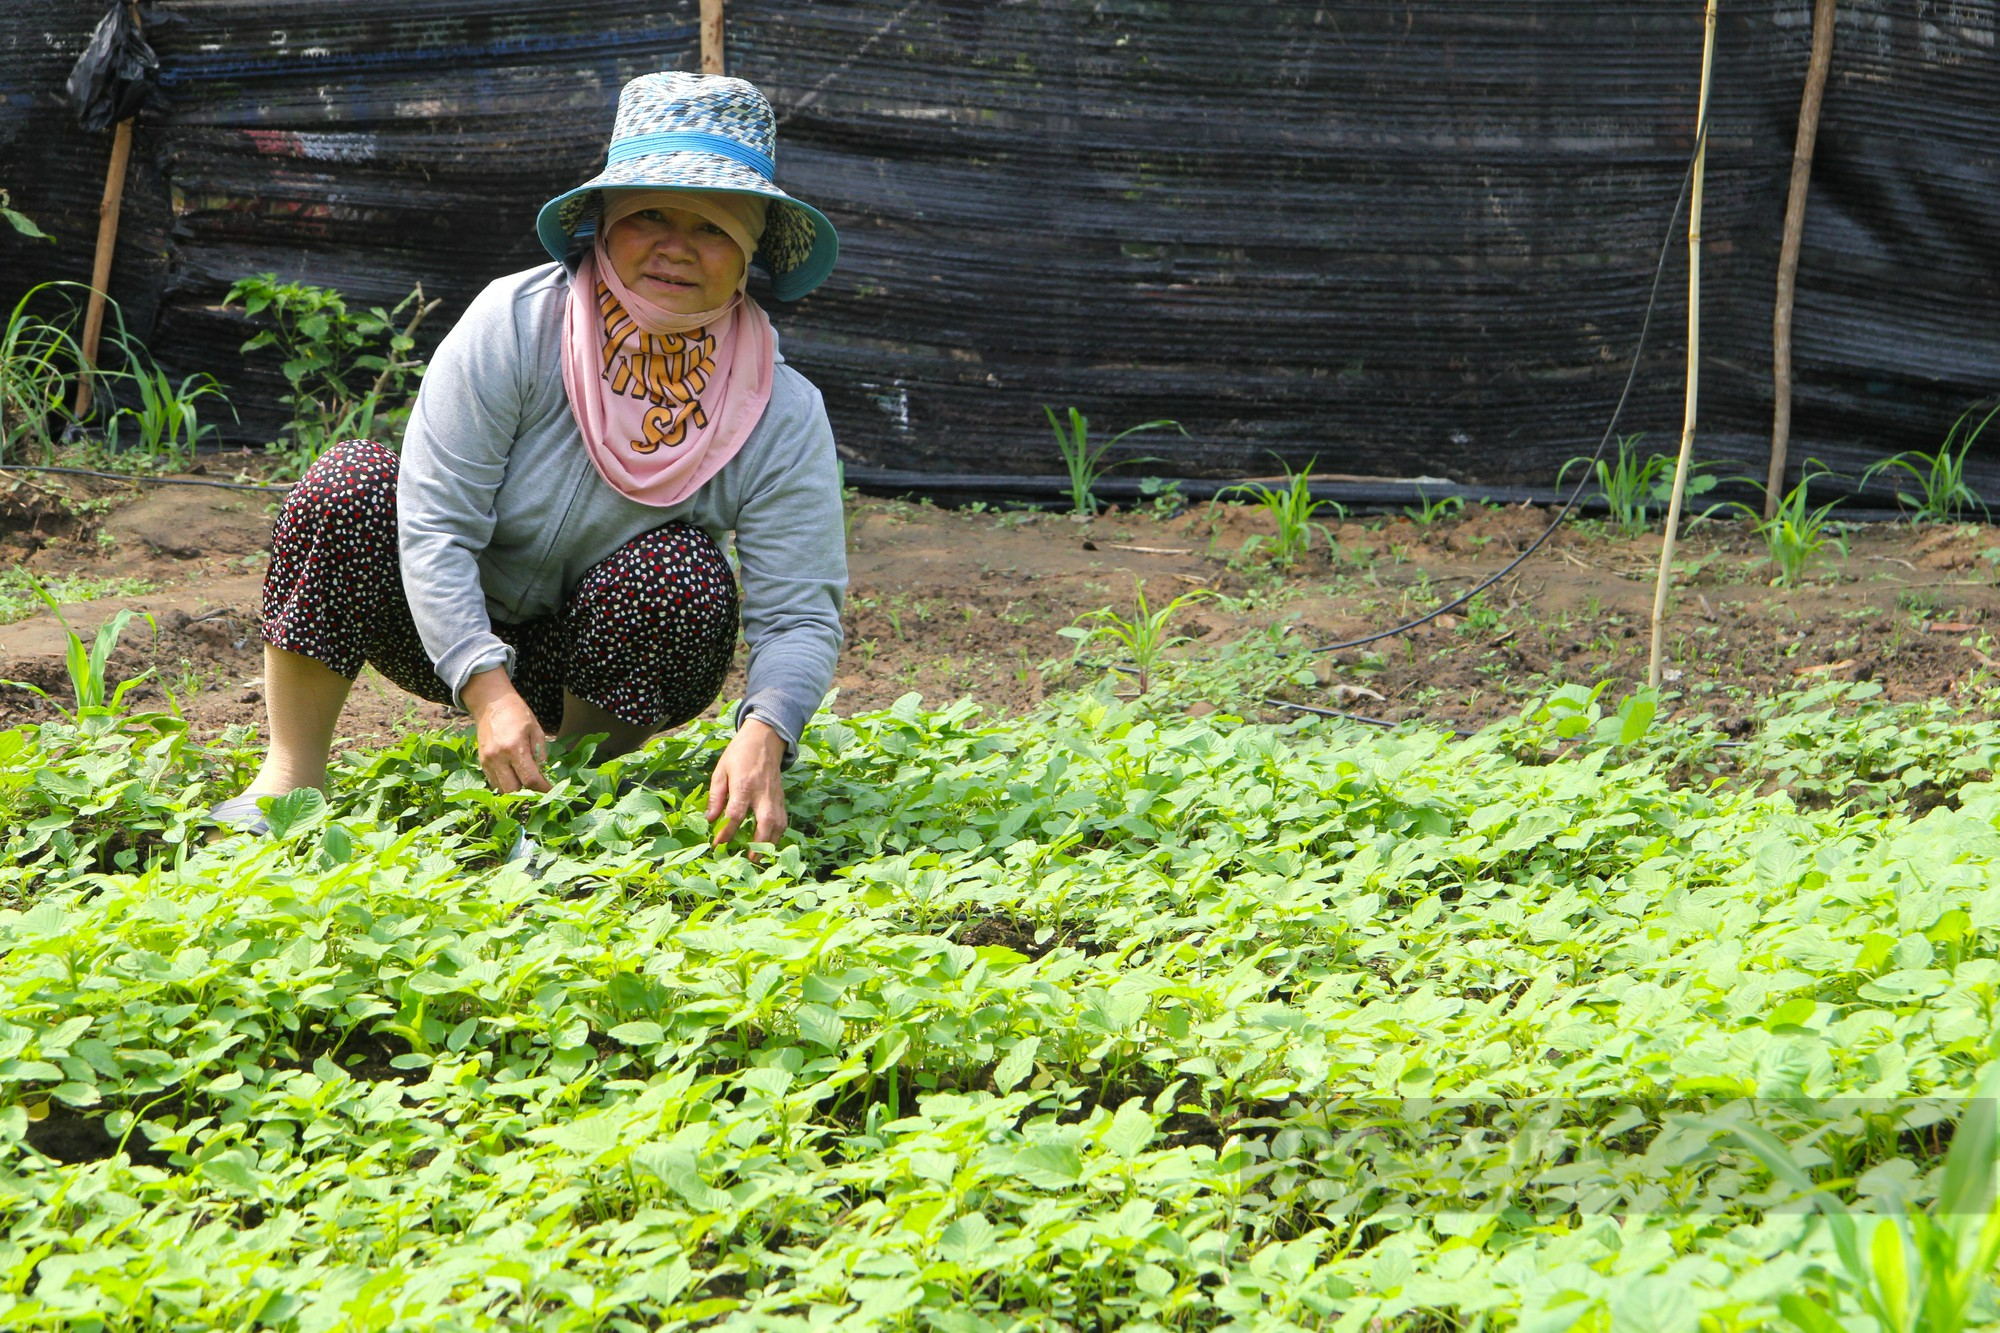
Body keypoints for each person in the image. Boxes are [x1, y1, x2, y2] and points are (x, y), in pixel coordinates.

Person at [208, 71, 847, 849]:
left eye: (713, 227)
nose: (677, 246)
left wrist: (767, 728)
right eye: (650, 215)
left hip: (603, 664)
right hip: (440, 622)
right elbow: (436, 522)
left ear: (750, 254)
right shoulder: (515, 323)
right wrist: (484, 689)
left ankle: (562, 787)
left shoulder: (781, 408)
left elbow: (801, 614)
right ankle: (290, 778)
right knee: (347, 485)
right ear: (604, 224)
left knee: (680, 572)